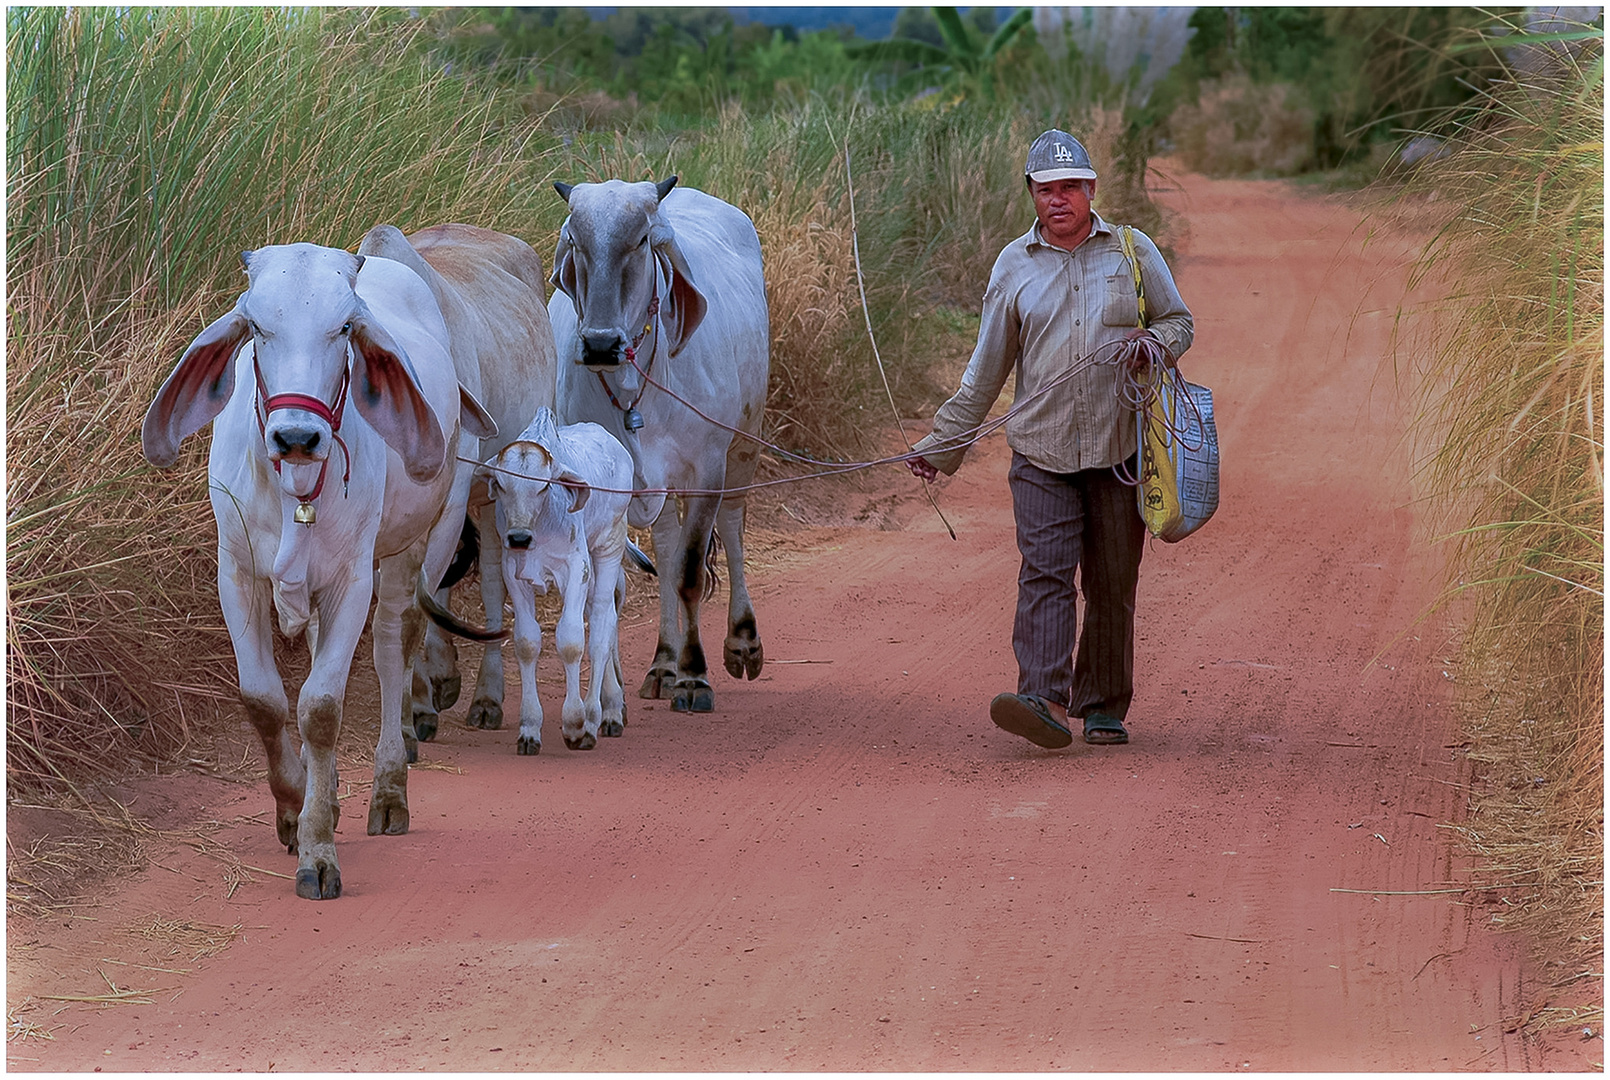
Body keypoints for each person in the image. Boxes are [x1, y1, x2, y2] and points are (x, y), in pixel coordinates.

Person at [907, 129, 1194, 750]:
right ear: (1031, 195)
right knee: (1045, 574)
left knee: (1113, 584)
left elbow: (1179, 321)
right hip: (1041, 451)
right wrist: (941, 446)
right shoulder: (1014, 265)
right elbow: (986, 370)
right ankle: (1041, 697)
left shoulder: (1133, 251)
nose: (1059, 199)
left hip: (1120, 453)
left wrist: (1156, 345)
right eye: (1046, 190)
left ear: (1092, 190)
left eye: (1071, 187)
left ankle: (1103, 706)